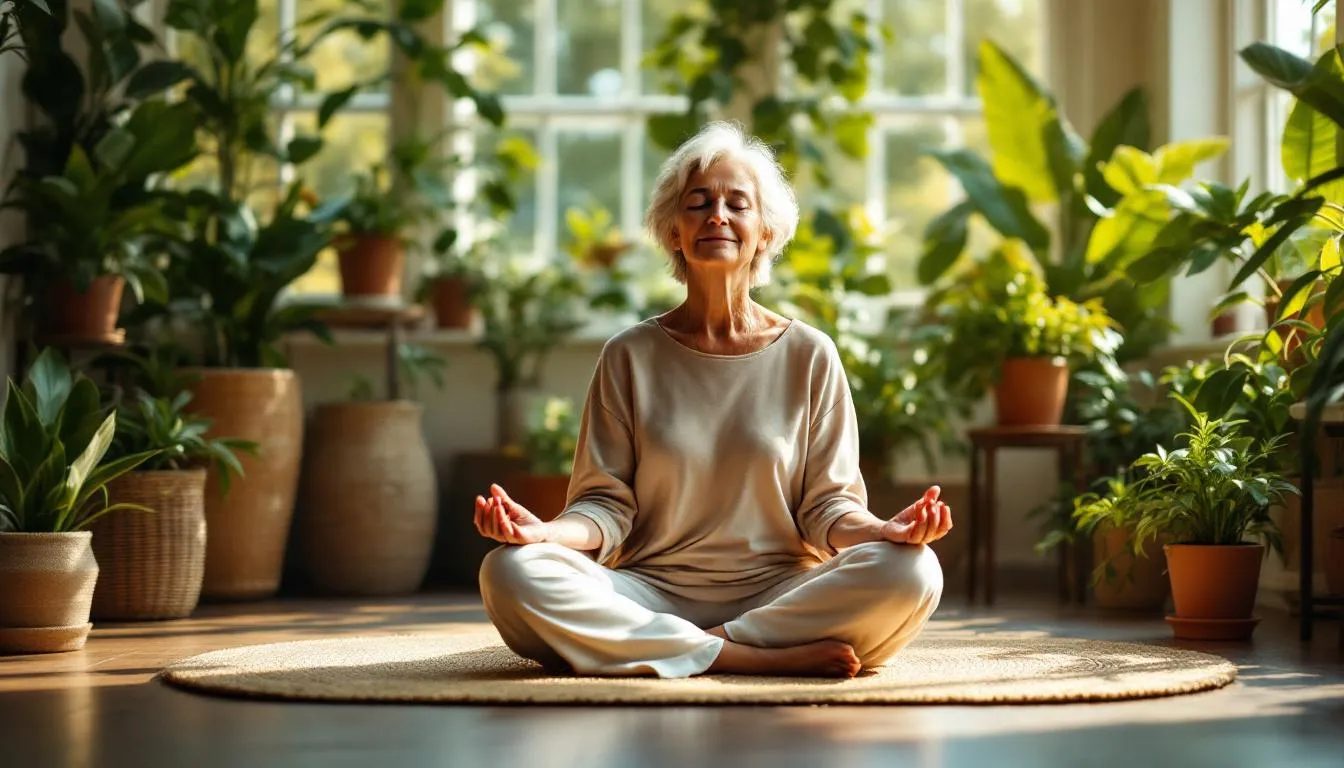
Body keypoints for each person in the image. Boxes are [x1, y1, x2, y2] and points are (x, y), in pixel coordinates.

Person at [474, 121, 950, 680]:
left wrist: (885, 532)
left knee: (914, 571)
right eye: (698, 203)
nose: (717, 216)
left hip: (779, 594)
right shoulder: (629, 355)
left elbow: (828, 509)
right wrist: (543, 534)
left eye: (737, 205)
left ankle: (678, 647)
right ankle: (742, 655)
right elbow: (605, 506)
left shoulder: (810, 355)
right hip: (647, 592)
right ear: (674, 232)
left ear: (765, 233)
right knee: (510, 571)